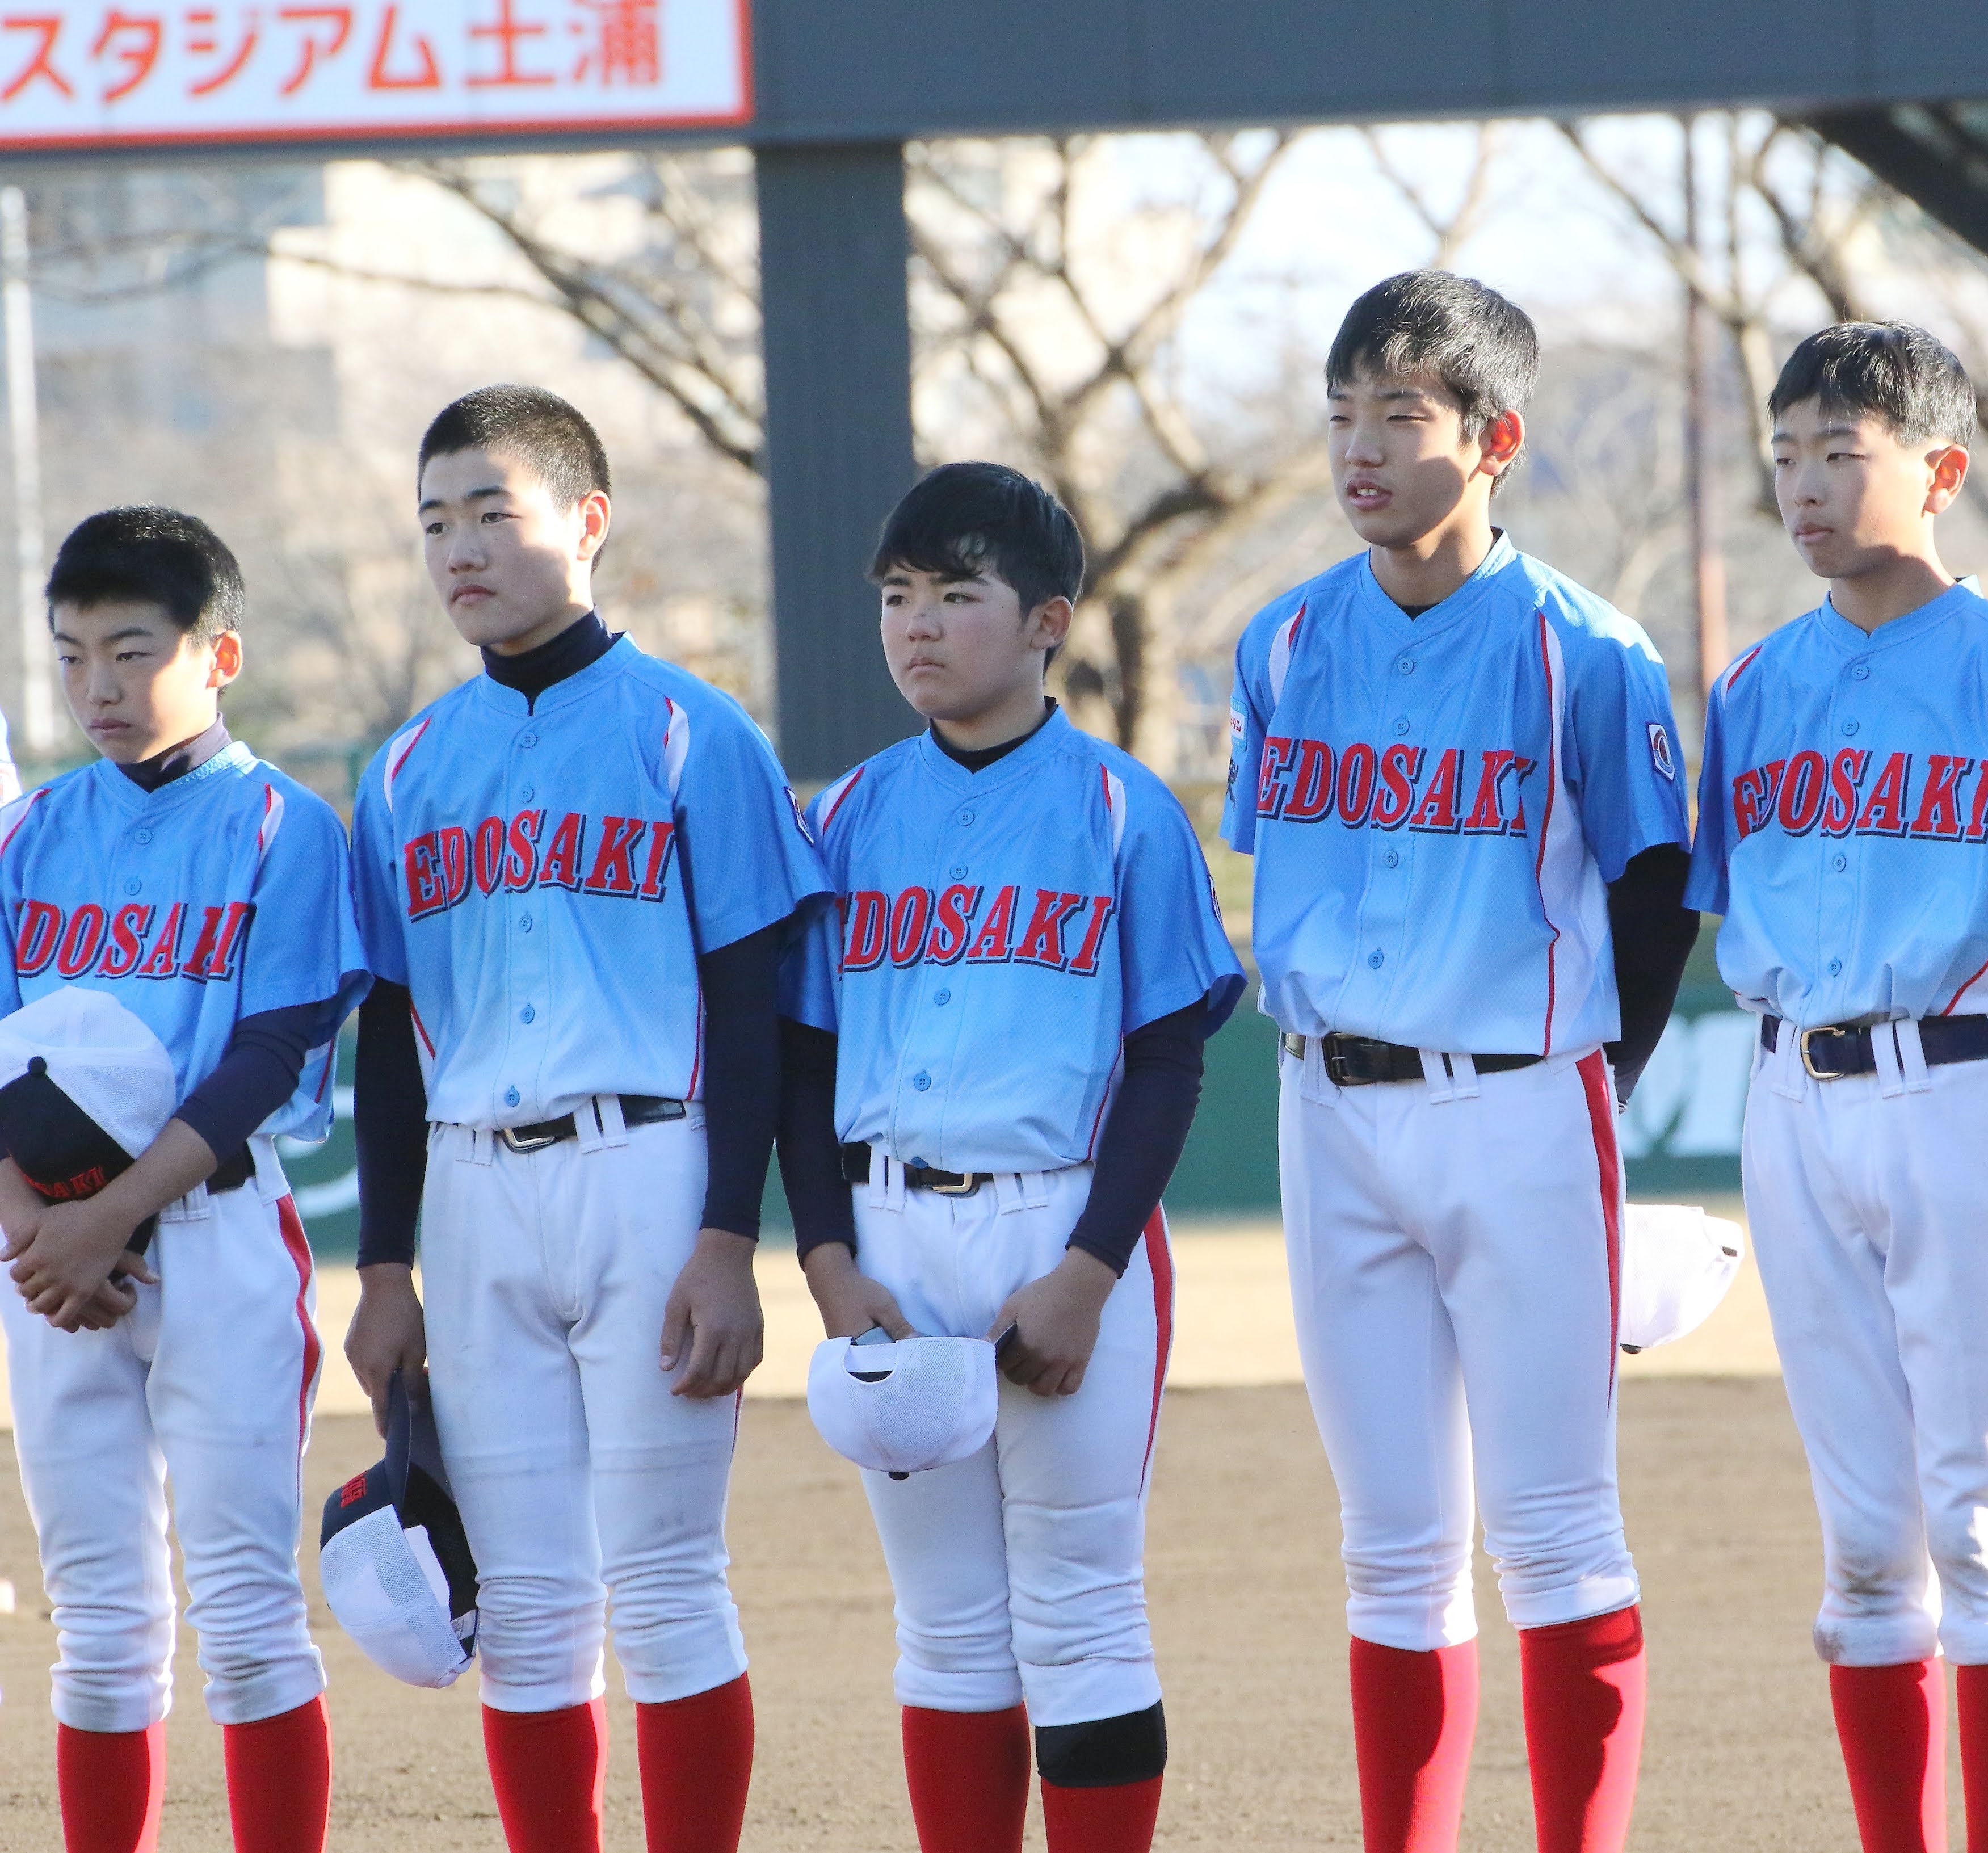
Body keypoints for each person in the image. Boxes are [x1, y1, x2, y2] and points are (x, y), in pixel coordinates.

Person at [1221, 270, 1698, 1853]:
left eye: (1400, 415)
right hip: (1326, 1103)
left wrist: (1592, 1108)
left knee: (1555, 1534)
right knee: (1390, 1549)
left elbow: (1653, 894)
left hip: (1518, 1100)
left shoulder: (1587, 649)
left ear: (1496, 440)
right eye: (1341, 415)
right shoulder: (1284, 640)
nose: (1360, 448)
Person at [342, 386, 829, 1853]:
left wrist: (729, 1235)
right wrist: (382, 1266)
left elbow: (752, 1008)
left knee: (668, 1586)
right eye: (436, 521)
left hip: (648, 1167)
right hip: (472, 1192)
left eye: (494, 512)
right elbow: (388, 1035)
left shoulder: (693, 731)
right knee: (530, 1607)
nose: (460, 548)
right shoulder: (403, 769)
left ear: (588, 521)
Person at [1686, 321, 1988, 1853]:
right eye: (1787, 453)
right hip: (1791, 1098)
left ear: (1940, 472)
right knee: (1868, 1547)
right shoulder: (1753, 686)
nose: (1803, 483)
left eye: (1841, 451)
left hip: (1970, 1085)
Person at [776, 461, 1245, 1853]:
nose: (917, 623)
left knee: (1082, 1607)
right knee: (944, 1624)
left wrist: (1088, 1274)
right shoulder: (846, 815)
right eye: (897, 595)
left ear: (1047, 621)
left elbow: (1168, 1060)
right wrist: (828, 1260)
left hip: (1063, 1224)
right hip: (891, 1232)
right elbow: (801, 1062)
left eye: (955, 593)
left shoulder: (1123, 809)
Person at [0, 507, 366, 1853]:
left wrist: (105, 1216)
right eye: (71, 654)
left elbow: (268, 1054)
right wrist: (32, 1225)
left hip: (213, 1235)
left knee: (248, 1616)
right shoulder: (30, 831)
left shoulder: (284, 826)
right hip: (47, 1257)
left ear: (219, 655)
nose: (97, 684)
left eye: (131, 650)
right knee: (98, 1623)